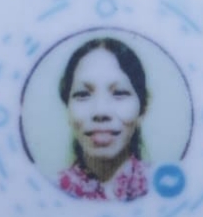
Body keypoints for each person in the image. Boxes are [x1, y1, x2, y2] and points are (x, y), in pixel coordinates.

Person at [58, 38, 150, 201]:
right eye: (83, 94)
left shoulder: (163, 189)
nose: (100, 111)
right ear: (68, 110)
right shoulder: (48, 192)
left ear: (142, 108)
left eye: (119, 93)